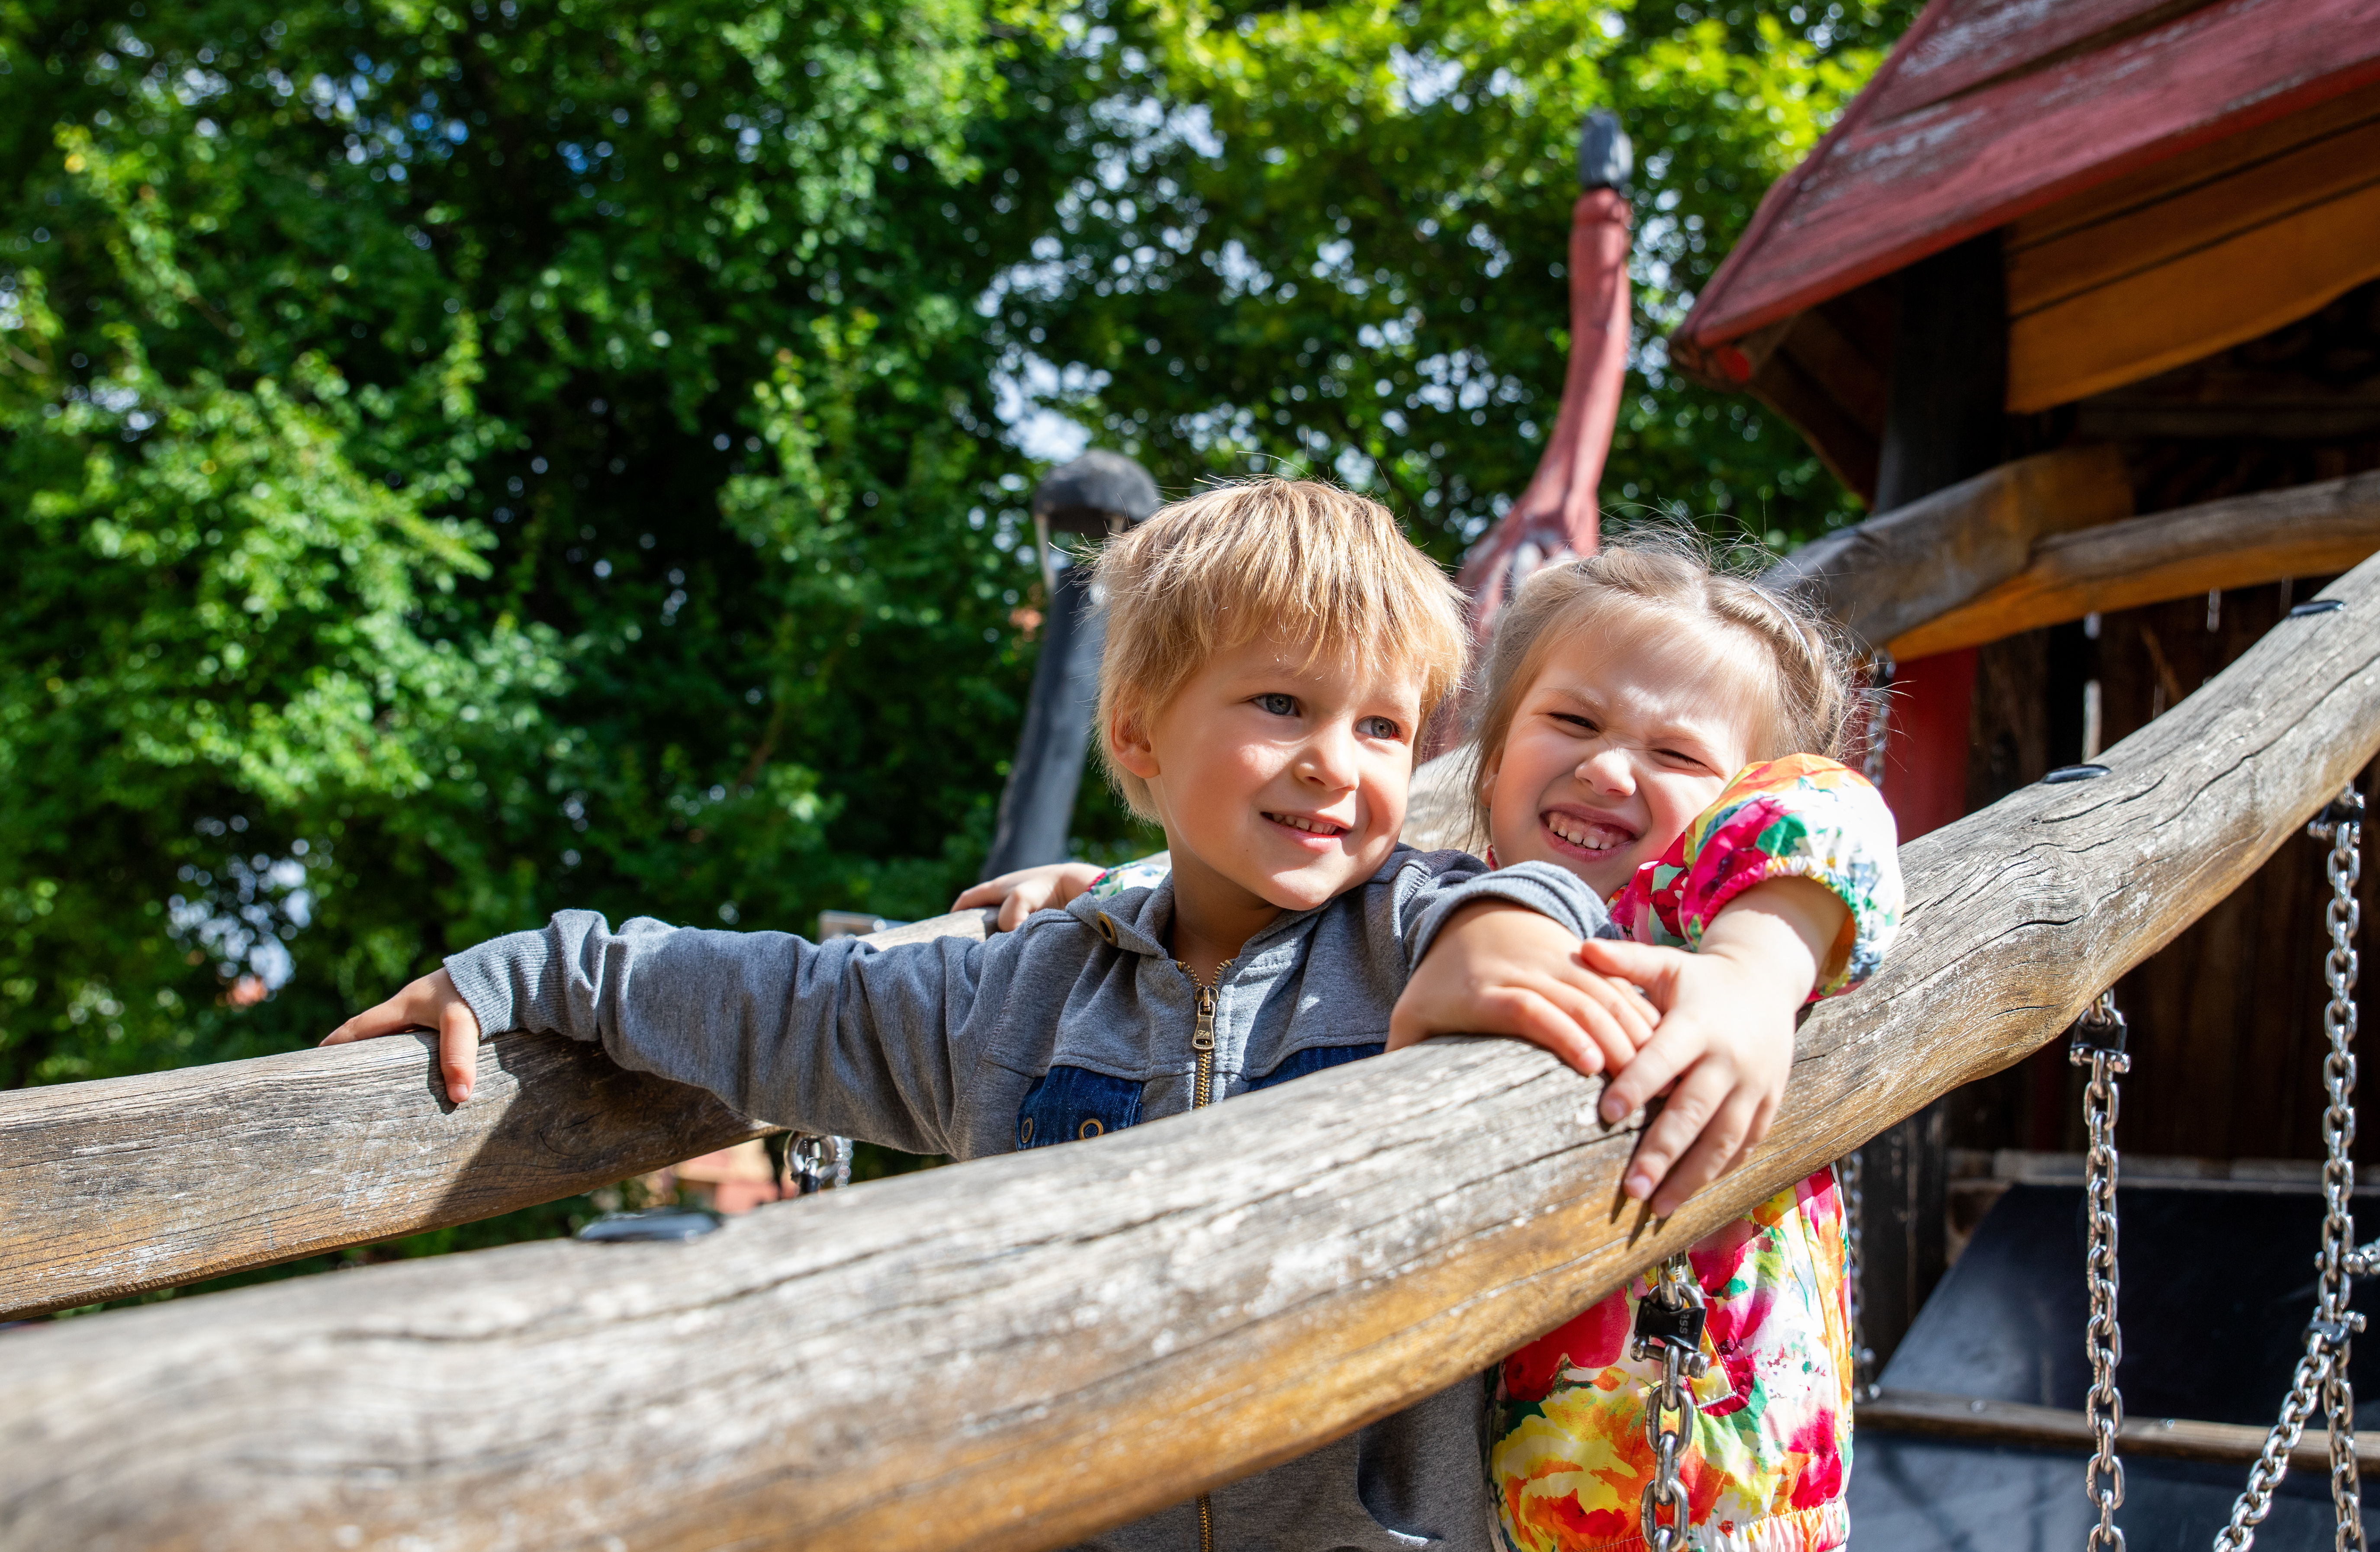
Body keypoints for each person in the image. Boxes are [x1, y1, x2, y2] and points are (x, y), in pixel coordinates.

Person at [322, 483, 1869, 1552]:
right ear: (1136, 732)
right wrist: (526, 967)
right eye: (1280, 705)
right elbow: (777, 995)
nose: (1335, 761)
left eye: (1383, 726)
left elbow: (1524, 912)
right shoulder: (1022, 989)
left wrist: (1485, 932)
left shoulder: (1424, 921)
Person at [969, 538, 1901, 1552]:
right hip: (1484, 1498)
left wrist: (1752, 978)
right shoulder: (1451, 915)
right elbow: (1273, 894)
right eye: (1572, 722)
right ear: (1492, 762)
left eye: (1675, 756)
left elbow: (1827, 811)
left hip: (1707, 1495)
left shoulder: (1697, 928)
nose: (1605, 766)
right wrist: (1107, 889)